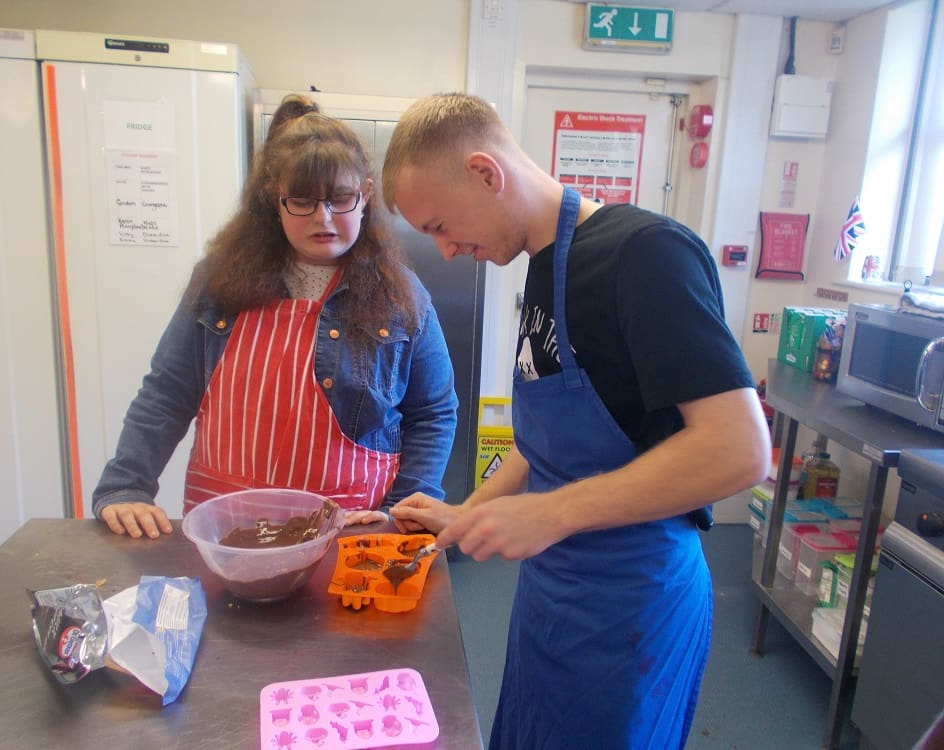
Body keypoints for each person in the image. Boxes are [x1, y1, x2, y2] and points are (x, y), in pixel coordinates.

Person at [382, 93, 770, 750]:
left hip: (631, 604)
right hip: (554, 595)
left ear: (485, 172)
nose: (445, 251)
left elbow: (738, 448)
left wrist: (553, 513)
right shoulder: (541, 268)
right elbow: (551, 442)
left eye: (443, 225)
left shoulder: (645, 256)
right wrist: (469, 513)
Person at [93, 94, 458, 539]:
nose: (323, 218)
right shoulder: (219, 282)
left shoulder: (403, 296)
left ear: (364, 196)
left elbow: (433, 412)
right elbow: (167, 392)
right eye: (302, 201)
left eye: (340, 198)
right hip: (229, 527)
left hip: (350, 529)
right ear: (275, 200)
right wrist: (127, 485)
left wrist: (403, 508)